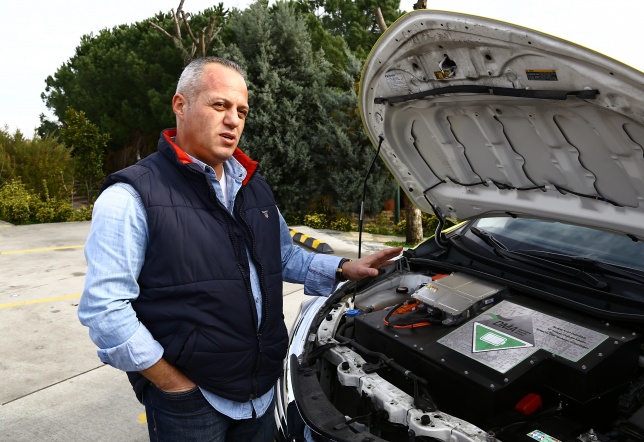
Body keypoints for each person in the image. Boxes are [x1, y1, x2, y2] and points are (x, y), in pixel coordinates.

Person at [77, 56, 402, 441]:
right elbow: (105, 309)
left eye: (241, 110)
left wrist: (344, 267)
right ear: (180, 105)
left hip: (262, 393)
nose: (233, 120)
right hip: (193, 403)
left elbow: (282, 255)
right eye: (220, 105)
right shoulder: (131, 196)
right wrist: (172, 385)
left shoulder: (253, 187)